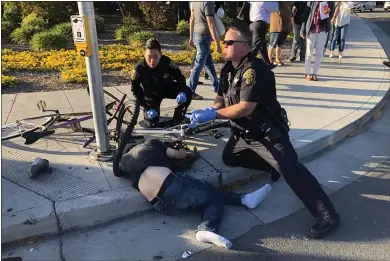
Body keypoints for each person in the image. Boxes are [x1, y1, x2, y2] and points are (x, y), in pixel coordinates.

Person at [190, 27, 341, 239]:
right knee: (229, 157)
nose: (223, 44)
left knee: (292, 170)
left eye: (228, 42)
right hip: (243, 133)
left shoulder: (254, 70)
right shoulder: (227, 70)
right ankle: (273, 168)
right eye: (224, 42)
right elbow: (221, 98)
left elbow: (245, 108)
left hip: (265, 134)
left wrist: (215, 116)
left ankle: (328, 216)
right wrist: (211, 110)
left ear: (244, 46)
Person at [118, 138, 272, 249]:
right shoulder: (150, 143)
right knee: (212, 193)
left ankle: (244, 201)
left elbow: (116, 171)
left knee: (208, 199)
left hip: (160, 205)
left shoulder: (124, 164)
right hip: (173, 185)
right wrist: (182, 151)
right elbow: (178, 155)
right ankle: (210, 226)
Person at [130, 38, 193, 128]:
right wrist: (147, 107)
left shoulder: (166, 62)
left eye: (155, 57)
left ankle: (178, 118)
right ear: (144, 55)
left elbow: (180, 77)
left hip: (166, 88)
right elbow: (135, 90)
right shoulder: (138, 69)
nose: (152, 61)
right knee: (152, 124)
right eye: (149, 57)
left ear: (160, 54)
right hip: (150, 95)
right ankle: (153, 116)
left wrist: (182, 91)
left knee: (188, 92)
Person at [189, 1, 222, 100]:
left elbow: (192, 19)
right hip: (204, 36)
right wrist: (217, 43)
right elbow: (211, 23)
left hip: (197, 34)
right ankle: (190, 91)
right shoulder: (208, 3)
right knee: (198, 65)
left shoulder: (195, 2)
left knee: (208, 63)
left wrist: (191, 37)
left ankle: (216, 86)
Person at [301, 2, 332, 81]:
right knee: (309, 52)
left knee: (319, 52)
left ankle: (315, 73)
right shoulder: (311, 2)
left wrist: (329, 11)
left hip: (322, 30)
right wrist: (302, 30)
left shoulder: (328, 2)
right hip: (311, 30)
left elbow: (330, 15)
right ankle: (307, 73)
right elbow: (305, 16)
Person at [248, 1, 279, 68]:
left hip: (255, 24)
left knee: (262, 46)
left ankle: (268, 64)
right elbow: (275, 8)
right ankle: (246, 64)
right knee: (255, 47)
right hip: (259, 24)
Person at [268, 1, 292, 66]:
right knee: (272, 43)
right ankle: (269, 60)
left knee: (280, 44)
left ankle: (277, 59)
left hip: (285, 24)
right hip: (276, 24)